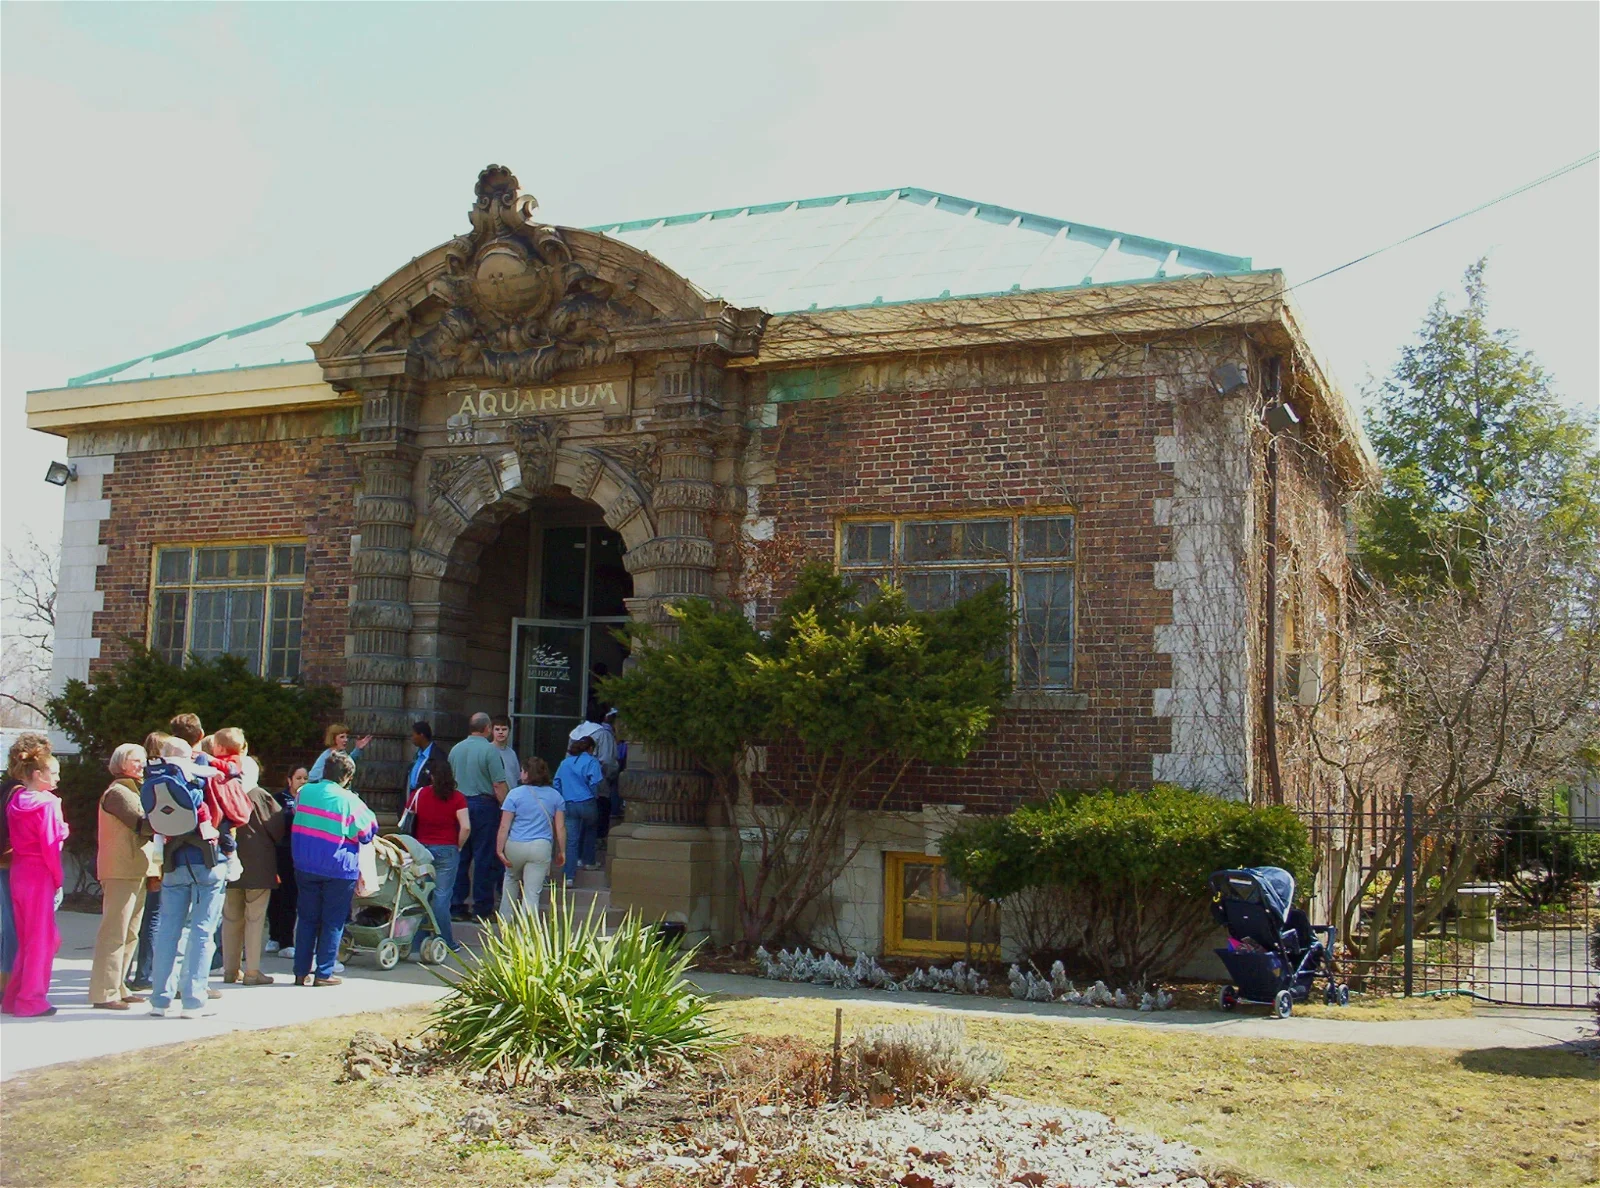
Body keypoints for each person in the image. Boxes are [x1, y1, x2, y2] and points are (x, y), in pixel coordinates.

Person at [143, 735, 229, 1018]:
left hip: (172, 863)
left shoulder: (153, 783)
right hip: (204, 862)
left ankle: (160, 999)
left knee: (168, 931)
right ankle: (193, 1000)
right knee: (202, 931)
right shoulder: (193, 780)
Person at [290, 750, 376, 987]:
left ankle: (300, 971)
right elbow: (366, 832)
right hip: (338, 868)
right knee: (333, 921)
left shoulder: (303, 793)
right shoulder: (350, 801)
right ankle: (324, 972)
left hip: (305, 864)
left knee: (307, 918)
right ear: (347, 777)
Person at [1, 738, 67, 1017]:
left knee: (25, 937)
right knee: (42, 939)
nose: (58, 777)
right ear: (38, 774)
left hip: (18, 872)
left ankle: (14, 995)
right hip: (39, 872)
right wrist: (58, 879)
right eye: (54, 772)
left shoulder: (15, 799)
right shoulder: (48, 803)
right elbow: (50, 846)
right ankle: (31, 999)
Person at [89, 743, 154, 1010]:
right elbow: (142, 824)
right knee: (115, 932)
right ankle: (103, 992)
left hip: (135, 869)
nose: (141, 765)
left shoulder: (135, 790)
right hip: (120, 870)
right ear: (120, 763)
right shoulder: (119, 792)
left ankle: (119, 985)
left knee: (131, 933)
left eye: (143, 760)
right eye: (135, 760)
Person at [219, 729, 286, 986]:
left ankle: (229, 969)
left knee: (231, 917)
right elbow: (277, 828)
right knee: (255, 920)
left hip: (228, 862)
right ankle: (252, 971)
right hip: (259, 867)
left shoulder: (224, 792)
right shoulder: (260, 796)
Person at [402, 759, 468, 953]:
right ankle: (445, 939)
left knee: (421, 895)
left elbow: (406, 819)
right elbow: (466, 826)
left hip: (421, 850)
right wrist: (458, 845)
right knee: (441, 896)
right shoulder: (458, 798)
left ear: (430, 775)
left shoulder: (418, 794)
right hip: (447, 848)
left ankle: (417, 939)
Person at [0, 732, 49, 998]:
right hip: (19, 863)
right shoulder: (24, 794)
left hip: (6, 862)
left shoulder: (6, 786)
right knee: (18, 928)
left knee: (9, 925)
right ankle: (14, 984)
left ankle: (7, 980)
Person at [448, 712, 509, 921]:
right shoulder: (490, 751)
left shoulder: (455, 750)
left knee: (461, 856)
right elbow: (498, 784)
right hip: (484, 805)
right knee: (484, 857)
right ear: (488, 728)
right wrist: (508, 808)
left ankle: (456, 905)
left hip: (458, 804)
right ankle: (481, 908)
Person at [124, 731, 169, 994]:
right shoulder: (159, 783)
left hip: (147, 853)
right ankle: (144, 973)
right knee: (152, 916)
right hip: (157, 854)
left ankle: (132, 972)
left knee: (140, 918)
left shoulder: (143, 783)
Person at [496, 757, 565, 919]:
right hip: (541, 846)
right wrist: (562, 851)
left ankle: (505, 927)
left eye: (522, 770)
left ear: (526, 774)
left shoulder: (514, 794)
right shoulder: (556, 796)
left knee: (511, 881)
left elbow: (504, 826)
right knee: (532, 894)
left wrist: (499, 849)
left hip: (515, 845)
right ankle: (527, 935)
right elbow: (560, 827)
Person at [553, 733, 605, 888]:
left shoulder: (565, 763)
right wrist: (594, 796)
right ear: (590, 749)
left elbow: (556, 782)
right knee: (590, 829)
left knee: (571, 841)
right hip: (587, 801)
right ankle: (588, 860)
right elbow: (595, 782)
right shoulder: (592, 761)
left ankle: (569, 876)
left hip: (569, 803)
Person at [265, 766, 307, 955]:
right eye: (298, 778)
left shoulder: (310, 800)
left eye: (305, 778)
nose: (302, 782)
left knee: (291, 896)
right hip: (280, 851)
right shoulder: (279, 799)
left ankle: (287, 941)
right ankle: (274, 937)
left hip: (298, 853)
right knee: (276, 896)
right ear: (289, 780)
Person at [592, 709, 620, 848]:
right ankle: (599, 839)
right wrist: (609, 776)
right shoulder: (605, 735)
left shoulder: (581, 732)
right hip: (601, 781)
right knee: (602, 809)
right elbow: (607, 760)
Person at [308, 723, 372, 782]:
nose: (346, 740)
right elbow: (312, 778)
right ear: (333, 738)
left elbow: (347, 764)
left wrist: (358, 749)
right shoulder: (327, 756)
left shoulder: (341, 753)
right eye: (342, 737)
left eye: (346, 737)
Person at [490, 715, 521, 794]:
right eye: (497, 729)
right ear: (492, 731)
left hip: (511, 797)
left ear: (509, 730)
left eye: (504, 729)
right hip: (491, 797)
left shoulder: (512, 753)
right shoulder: (486, 751)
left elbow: (516, 777)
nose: (500, 732)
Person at [405, 722, 438, 797]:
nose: (412, 738)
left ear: (421, 735)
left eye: (413, 735)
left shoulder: (437, 756)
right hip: (412, 797)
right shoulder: (417, 755)